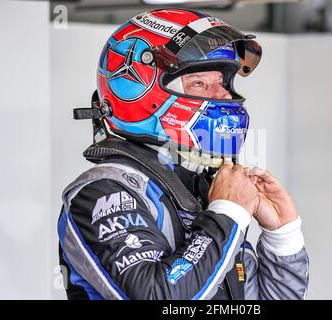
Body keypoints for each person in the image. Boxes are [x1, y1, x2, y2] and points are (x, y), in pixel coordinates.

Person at [57, 8, 309, 300]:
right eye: (200, 83)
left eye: (223, 82)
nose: (225, 95)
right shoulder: (103, 192)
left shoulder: (202, 190)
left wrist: (283, 237)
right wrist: (228, 215)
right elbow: (156, 297)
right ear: (140, 90)